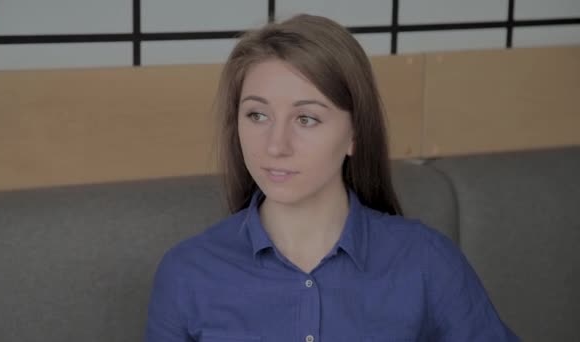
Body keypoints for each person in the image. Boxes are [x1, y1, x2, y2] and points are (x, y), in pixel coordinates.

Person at [145, 14, 519, 342]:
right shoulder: (187, 273)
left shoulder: (426, 262)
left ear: (355, 133)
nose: (276, 145)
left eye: (306, 118)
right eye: (257, 115)